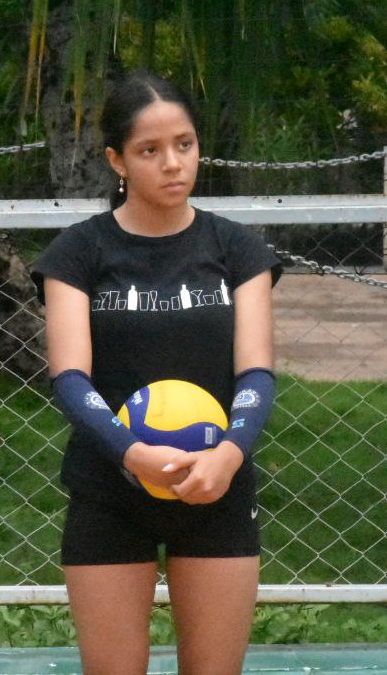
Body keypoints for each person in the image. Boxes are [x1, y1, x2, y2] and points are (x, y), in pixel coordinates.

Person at [32, 71, 281, 675]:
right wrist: (130, 452)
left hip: (216, 484)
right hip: (110, 489)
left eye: (185, 145)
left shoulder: (237, 249)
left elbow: (256, 373)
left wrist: (229, 454)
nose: (173, 163)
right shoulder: (78, 252)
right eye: (150, 150)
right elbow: (69, 379)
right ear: (117, 160)